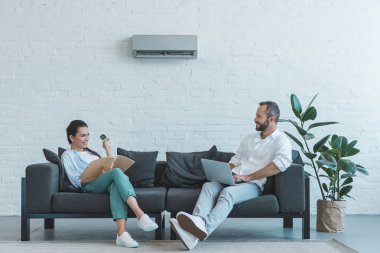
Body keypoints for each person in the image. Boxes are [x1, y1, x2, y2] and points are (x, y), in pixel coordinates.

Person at [170, 101, 293, 250]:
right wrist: (223, 171)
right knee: (209, 186)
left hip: (253, 184)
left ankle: (201, 231)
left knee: (228, 193)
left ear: (271, 119)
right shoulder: (249, 138)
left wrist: (249, 177)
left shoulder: (282, 141)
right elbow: (236, 160)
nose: (254, 118)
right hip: (234, 178)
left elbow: (280, 165)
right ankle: (196, 223)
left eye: (258, 116)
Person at [61, 120, 158, 248]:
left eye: (88, 135)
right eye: (82, 135)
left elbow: (109, 170)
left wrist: (108, 150)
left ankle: (122, 234)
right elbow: (77, 181)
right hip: (88, 186)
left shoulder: (91, 153)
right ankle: (140, 214)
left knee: (115, 185)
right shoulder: (68, 155)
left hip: (103, 182)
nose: (87, 139)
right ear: (72, 137)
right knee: (116, 173)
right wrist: (100, 176)